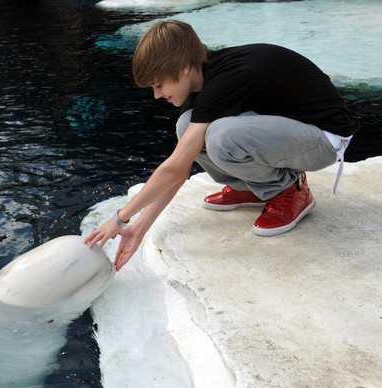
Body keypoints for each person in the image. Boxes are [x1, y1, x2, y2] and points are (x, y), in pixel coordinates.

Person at [85, 20, 358, 271]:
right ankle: (255, 188)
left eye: (158, 85)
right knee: (187, 127)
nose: (157, 95)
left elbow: (174, 169)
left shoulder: (226, 78)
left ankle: (290, 190)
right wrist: (140, 228)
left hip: (326, 138)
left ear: (183, 67)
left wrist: (120, 218)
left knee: (222, 135)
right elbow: (179, 172)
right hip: (292, 133)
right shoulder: (203, 81)